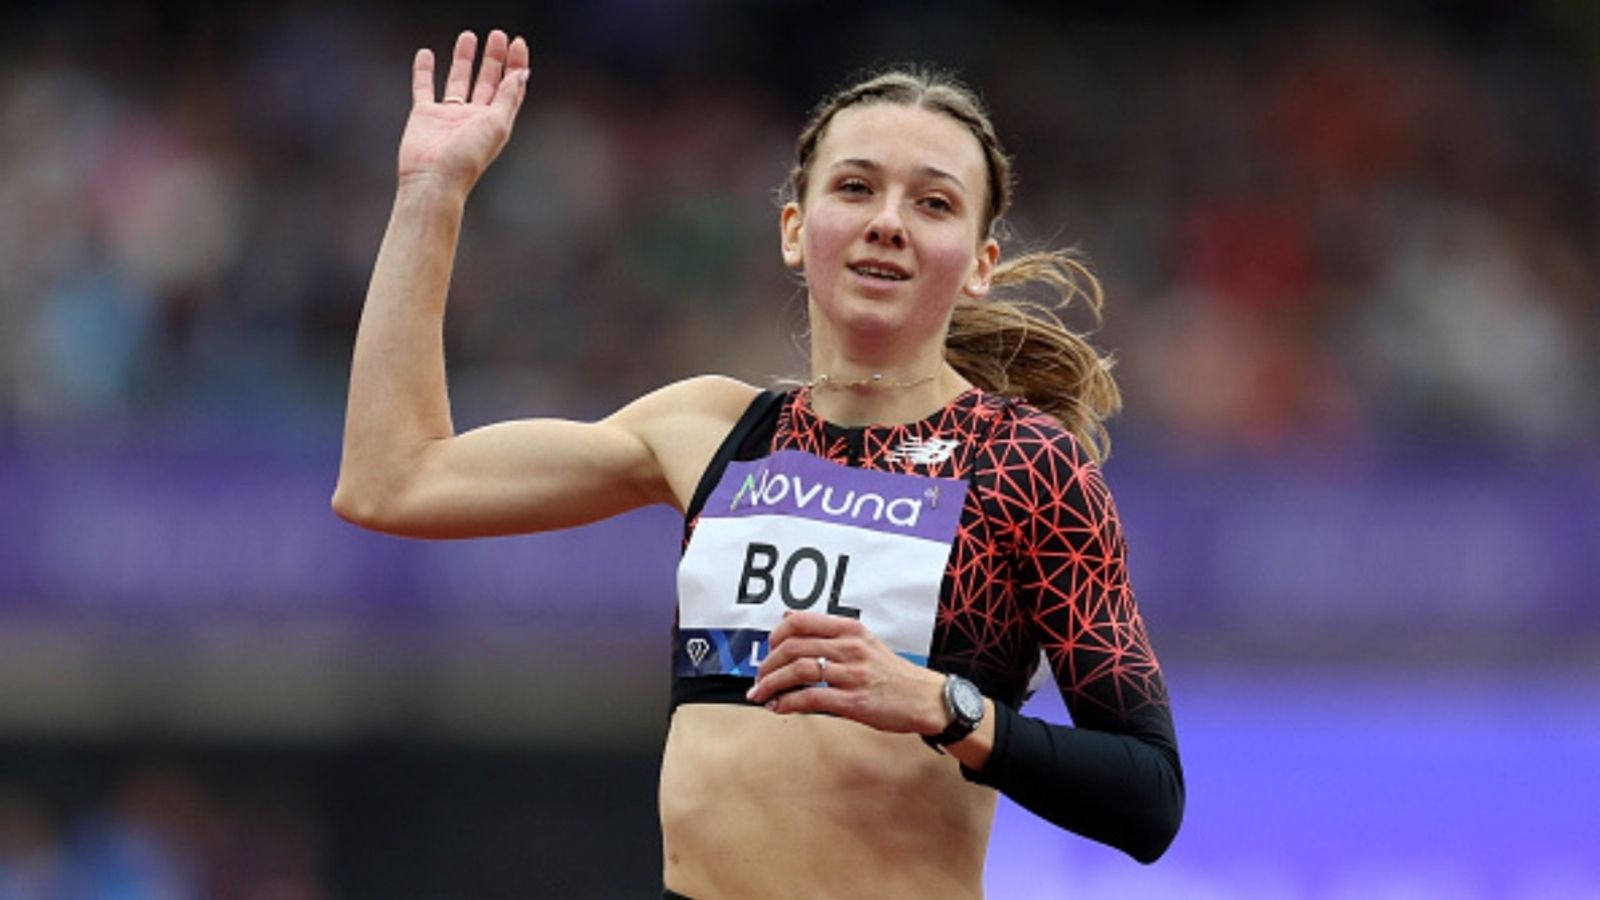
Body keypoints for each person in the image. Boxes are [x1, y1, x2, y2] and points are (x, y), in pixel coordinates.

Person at [333, 28, 1183, 899]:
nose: (887, 222)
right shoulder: (708, 429)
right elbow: (392, 479)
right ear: (794, 228)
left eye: (933, 203)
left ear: (979, 264)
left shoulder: (1026, 467)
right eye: (856, 188)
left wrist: (946, 708)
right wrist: (430, 194)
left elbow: (1149, 795)